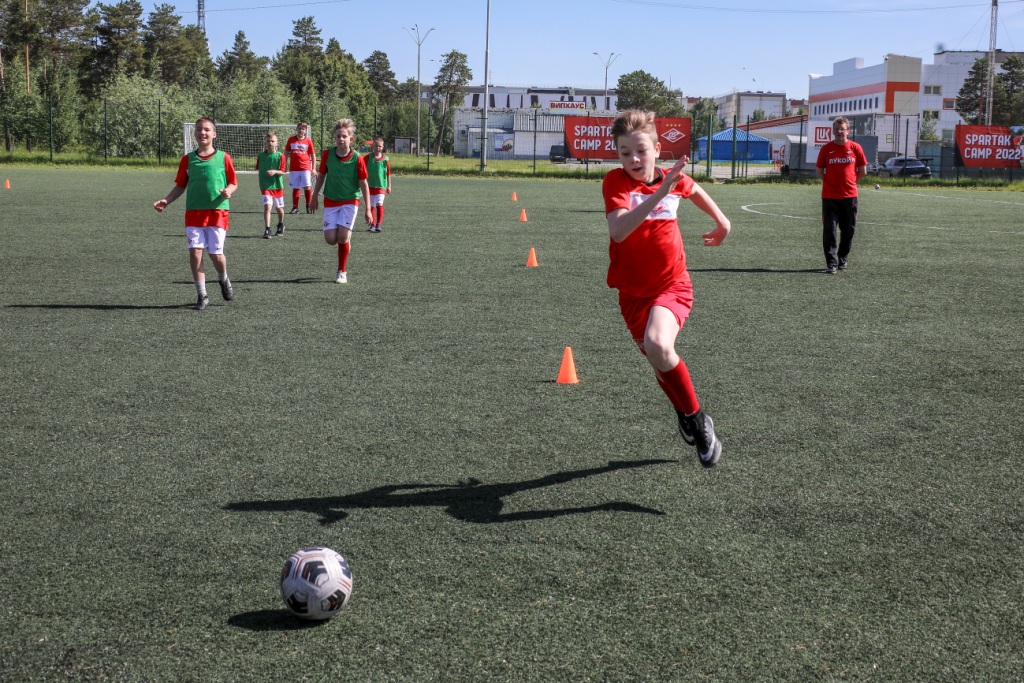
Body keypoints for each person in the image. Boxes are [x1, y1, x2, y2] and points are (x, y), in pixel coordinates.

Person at [602, 109, 731, 467]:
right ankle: (685, 411)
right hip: (631, 295)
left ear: (658, 148)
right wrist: (660, 191)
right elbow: (618, 230)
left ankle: (698, 420)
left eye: (641, 150)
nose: (633, 159)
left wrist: (722, 221)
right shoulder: (615, 183)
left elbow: (693, 188)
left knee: (660, 344)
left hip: (672, 286)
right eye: (625, 152)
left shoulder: (671, 179)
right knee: (660, 361)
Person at [153, 117, 237, 311]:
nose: (203, 132)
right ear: (195, 134)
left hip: (217, 211)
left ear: (214, 134)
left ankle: (223, 278)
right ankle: (202, 295)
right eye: (199, 129)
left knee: (216, 254)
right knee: (195, 253)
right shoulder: (188, 159)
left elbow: (233, 182)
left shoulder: (224, 157)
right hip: (194, 213)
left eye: (207, 129)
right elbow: (180, 186)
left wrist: (229, 191)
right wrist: (166, 200)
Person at [310, 119, 371, 284]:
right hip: (331, 201)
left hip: (350, 200)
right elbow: (321, 176)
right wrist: (314, 196)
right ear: (335, 138)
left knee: (343, 238)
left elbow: (363, 183)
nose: (341, 139)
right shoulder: (327, 154)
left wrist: (368, 209)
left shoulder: (357, 158)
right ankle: (345, 240)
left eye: (344, 136)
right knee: (331, 239)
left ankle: (341, 271)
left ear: (351, 138)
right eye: (338, 136)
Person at [816, 116, 867, 274]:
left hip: (849, 197)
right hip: (830, 197)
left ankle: (842, 259)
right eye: (836, 129)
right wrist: (830, 184)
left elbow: (863, 171)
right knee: (829, 230)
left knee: (848, 230)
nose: (839, 132)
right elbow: (819, 171)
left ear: (848, 131)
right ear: (833, 131)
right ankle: (831, 263)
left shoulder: (855, 148)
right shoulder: (826, 149)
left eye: (842, 129)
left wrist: (850, 182)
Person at [257, 131, 287, 238]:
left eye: (272, 141)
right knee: (267, 208)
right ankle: (267, 229)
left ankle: (281, 224)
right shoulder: (261, 156)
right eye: (268, 141)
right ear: (265, 142)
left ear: (277, 143)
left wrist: (274, 171)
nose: (270, 143)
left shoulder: (280, 156)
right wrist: (260, 184)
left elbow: (283, 171)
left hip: (277, 186)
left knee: (279, 208)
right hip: (266, 187)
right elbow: (259, 170)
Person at [285, 122, 317, 214]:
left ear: (305, 131)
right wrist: (284, 164)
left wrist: (313, 168)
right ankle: (295, 208)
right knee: (295, 187)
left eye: (303, 129)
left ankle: (308, 206)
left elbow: (313, 155)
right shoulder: (291, 139)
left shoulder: (308, 141)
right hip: (294, 168)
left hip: (305, 168)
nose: (301, 130)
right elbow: (286, 152)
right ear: (296, 129)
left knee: (307, 187)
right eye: (299, 128)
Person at [363, 137, 392, 232]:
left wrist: (389, 186)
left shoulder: (386, 159)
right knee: (371, 206)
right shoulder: (367, 158)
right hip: (369, 186)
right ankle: (372, 225)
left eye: (380, 146)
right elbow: (361, 170)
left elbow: (388, 173)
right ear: (372, 146)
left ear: (382, 147)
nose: (378, 148)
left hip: (381, 186)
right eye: (376, 146)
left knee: (379, 204)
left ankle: (378, 225)